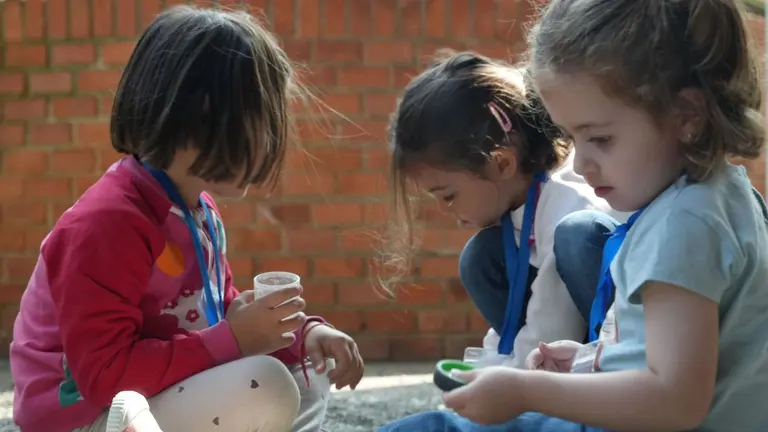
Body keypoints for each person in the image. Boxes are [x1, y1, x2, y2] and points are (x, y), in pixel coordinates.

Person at [378, 0, 768, 431]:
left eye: (600, 138)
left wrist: (526, 391)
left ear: (687, 116)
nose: (580, 163)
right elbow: (683, 359)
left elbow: (675, 400)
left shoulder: (685, 226)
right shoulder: (719, 195)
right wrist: (589, 359)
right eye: (572, 138)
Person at [10, 6, 364, 432]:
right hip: (88, 415)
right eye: (263, 121)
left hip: (159, 387)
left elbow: (214, 310)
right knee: (265, 384)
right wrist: (234, 341)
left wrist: (301, 336)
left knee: (310, 371)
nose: (272, 140)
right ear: (204, 113)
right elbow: (104, 377)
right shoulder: (107, 224)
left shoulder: (196, 209)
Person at [380, 49, 621, 369]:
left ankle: (593, 378)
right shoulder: (516, 205)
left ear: (502, 162)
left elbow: (551, 318)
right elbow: (520, 314)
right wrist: (492, 363)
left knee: (576, 235)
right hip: (559, 328)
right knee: (480, 256)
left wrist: (509, 378)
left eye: (448, 195)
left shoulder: (567, 202)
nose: (443, 209)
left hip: (622, 335)